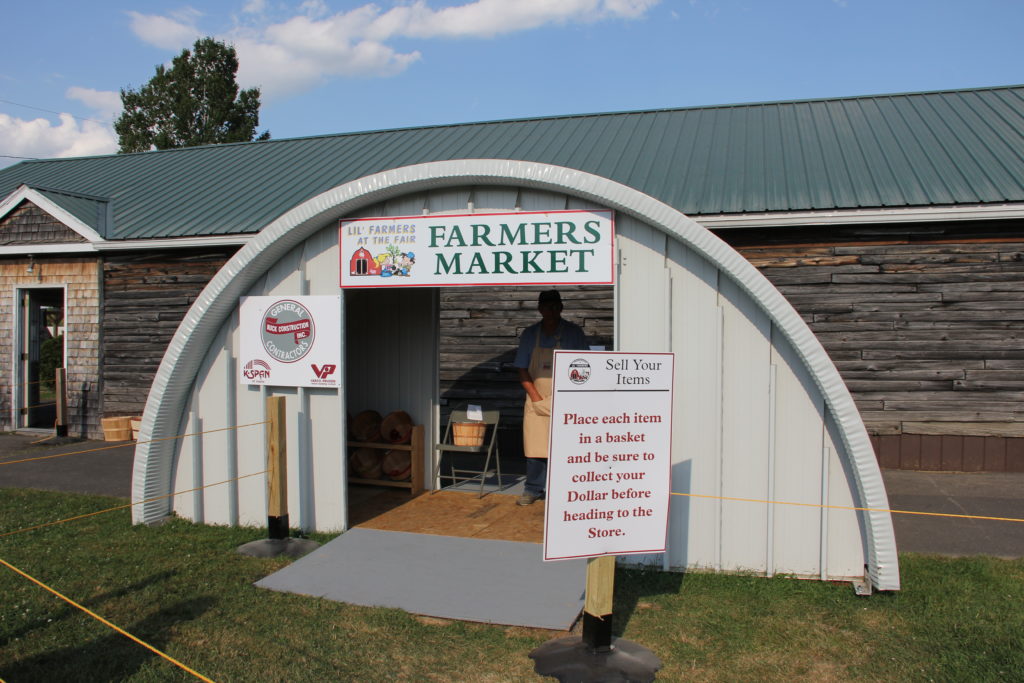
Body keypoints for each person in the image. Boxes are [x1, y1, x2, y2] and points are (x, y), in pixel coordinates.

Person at [513, 290, 588, 506]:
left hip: (569, 398)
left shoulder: (574, 333)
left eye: (555, 306)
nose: (551, 311)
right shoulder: (529, 335)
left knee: (568, 447)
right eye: (547, 306)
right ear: (540, 309)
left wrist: (572, 396)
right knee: (536, 446)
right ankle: (533, 489)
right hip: (536, 398)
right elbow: (521, 369)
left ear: (561, 307)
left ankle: (567, 489)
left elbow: (585, 366)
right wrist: (536, 397)